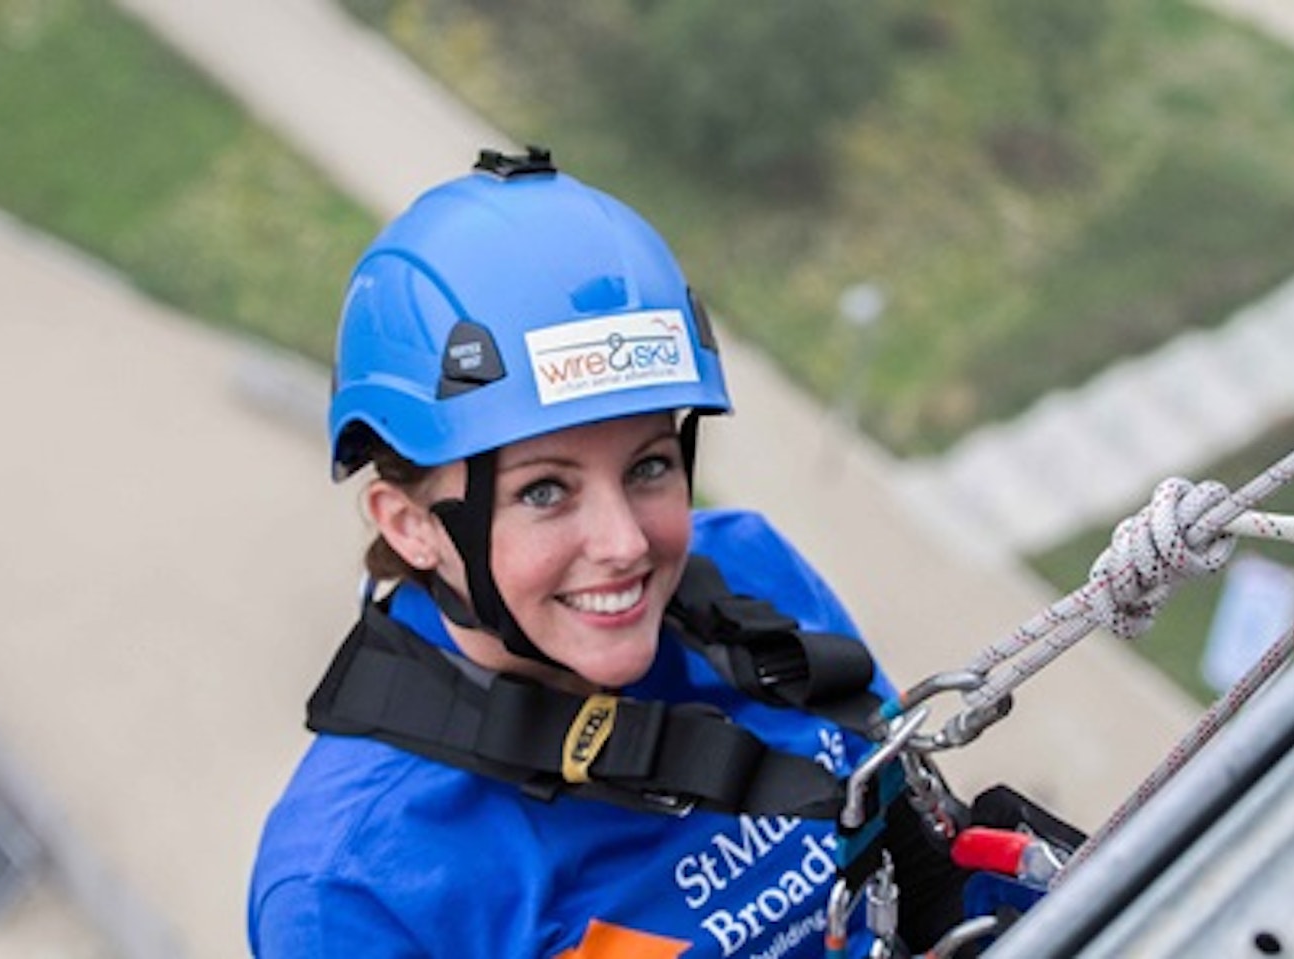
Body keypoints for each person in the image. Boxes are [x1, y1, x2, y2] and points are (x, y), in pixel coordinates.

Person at [248, 147, 972, 958]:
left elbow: (918, 852)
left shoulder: (754, 583)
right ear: (410, 523)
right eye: (545, 491)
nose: (626, 543)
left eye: (650, 466)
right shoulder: (357, 886)